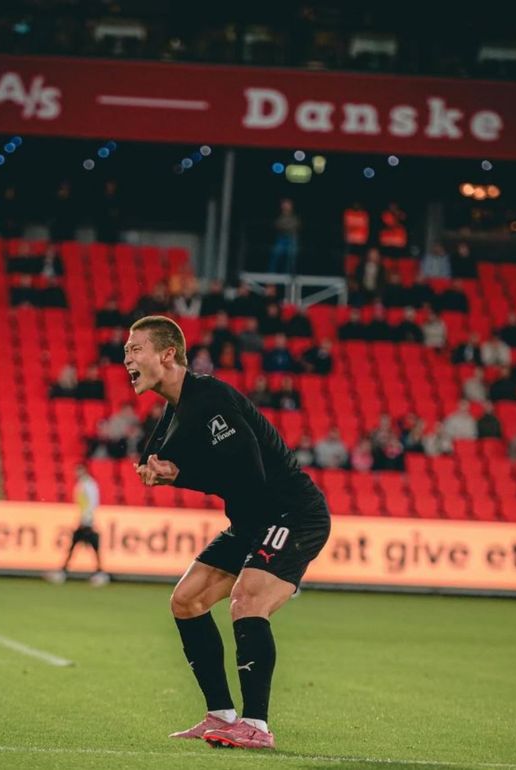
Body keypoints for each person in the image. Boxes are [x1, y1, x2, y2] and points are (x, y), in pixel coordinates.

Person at [124, 315, 330, 750]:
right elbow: (151, 458)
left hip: (292, 514)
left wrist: (178, 475)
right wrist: (157, 469)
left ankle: (256, 725)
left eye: (135, 349)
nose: (127, 359)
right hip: (251, 522)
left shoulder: (211, 397)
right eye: (126, 351)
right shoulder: (177, 408)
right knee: (186, 600)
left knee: (247, 598)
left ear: (167, 354)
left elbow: (249, 475)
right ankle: (220, 714)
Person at [58, 465, 107, 585]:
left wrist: (87, 520)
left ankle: (99, 572)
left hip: (88, 521)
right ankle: (99, 572)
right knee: (80, 545)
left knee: (85, 545)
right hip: (84, 520)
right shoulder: (82, 485)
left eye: (79, 471)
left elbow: (92, 504)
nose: (77, 474)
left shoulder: (89, 485)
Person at [268, 199, 301, 275]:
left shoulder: (295, 217)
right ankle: (271, 275)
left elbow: (297, 226)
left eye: (288, 204)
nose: (286, 206)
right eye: (284, 204)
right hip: (281, 238)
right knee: (276, 255)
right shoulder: (280, 216)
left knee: (291, 258)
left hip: (292, 238)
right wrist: (287, 227)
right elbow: (277, 225)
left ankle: (287, 274)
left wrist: (286, 227)